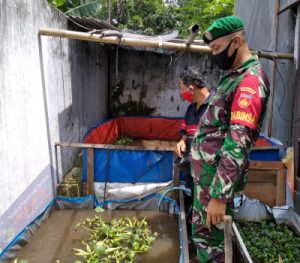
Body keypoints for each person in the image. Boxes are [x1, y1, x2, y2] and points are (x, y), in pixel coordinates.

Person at [191, 16, 270, 262]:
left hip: (216, 187)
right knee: (204, 240)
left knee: (213, 247)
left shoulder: (249, 82)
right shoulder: (234, 76)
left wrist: (219, 196)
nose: (213, 55)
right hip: (208, 182)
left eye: (216, 48)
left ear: (236, 41)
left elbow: (237, 142)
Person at [175, 66, 214, 237]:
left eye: (182, 89)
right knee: (193, 204)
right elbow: (185, 131)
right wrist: (181, 142)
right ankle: (192, 239)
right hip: (193, 171)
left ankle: (207, 242)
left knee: (208, 213)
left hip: (210, 176)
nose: (182, 94)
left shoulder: (215, 107)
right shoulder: (191, 109)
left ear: (191, 88)